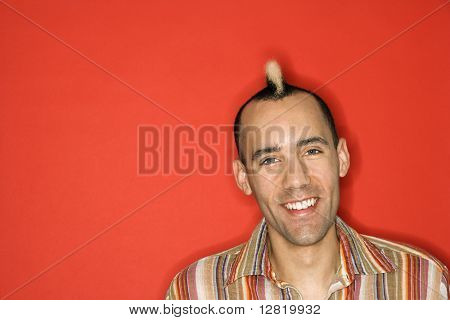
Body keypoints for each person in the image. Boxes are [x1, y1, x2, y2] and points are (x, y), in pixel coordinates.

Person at [165, 60, 449, 300]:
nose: (296, 179)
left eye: (312, 151)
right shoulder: (195, 292)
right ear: (243, 178)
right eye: (270, 160)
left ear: (341, 158)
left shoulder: (423, 281)